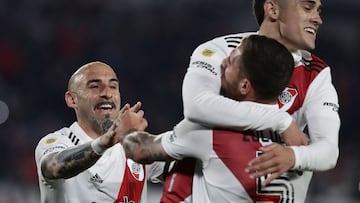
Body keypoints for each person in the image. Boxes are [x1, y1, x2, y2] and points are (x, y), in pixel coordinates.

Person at [162, 0, 339, 202]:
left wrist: (294, 157)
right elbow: (197, 105)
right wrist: (281, 121)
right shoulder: (220, 50)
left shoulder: (316, 73)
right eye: (307, 8)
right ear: (272, 9)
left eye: (318, 11)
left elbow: (328, 151)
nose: (318, 19)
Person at [121, 35, 307, 202]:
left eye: (232, 62)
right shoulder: (299, 145)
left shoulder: (212, 131)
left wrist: (127, 132)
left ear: (244, 86)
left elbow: (140, 150)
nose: (223, 63)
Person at [34, 61, 164, 203]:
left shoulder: (136, 147)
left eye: (113, 87)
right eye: (95, 87)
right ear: (72, 99)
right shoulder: (58, 141)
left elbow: (184, 174)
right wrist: (104, 142)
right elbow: (54, 167)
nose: (107, 94)